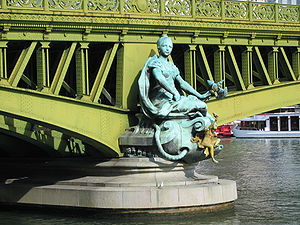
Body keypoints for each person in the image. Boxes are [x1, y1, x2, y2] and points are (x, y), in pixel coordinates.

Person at [138, 34, 213, 120]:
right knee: (201, 106)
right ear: (158, 48)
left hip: (173, 99)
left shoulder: (172, 66)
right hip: (161, 101)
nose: (167, 48)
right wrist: (174, 92)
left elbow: (182, 83)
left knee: (202, 107)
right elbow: (159, 78)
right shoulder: (155, 63)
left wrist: (200, 96)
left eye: (170, 47)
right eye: (164, 46)